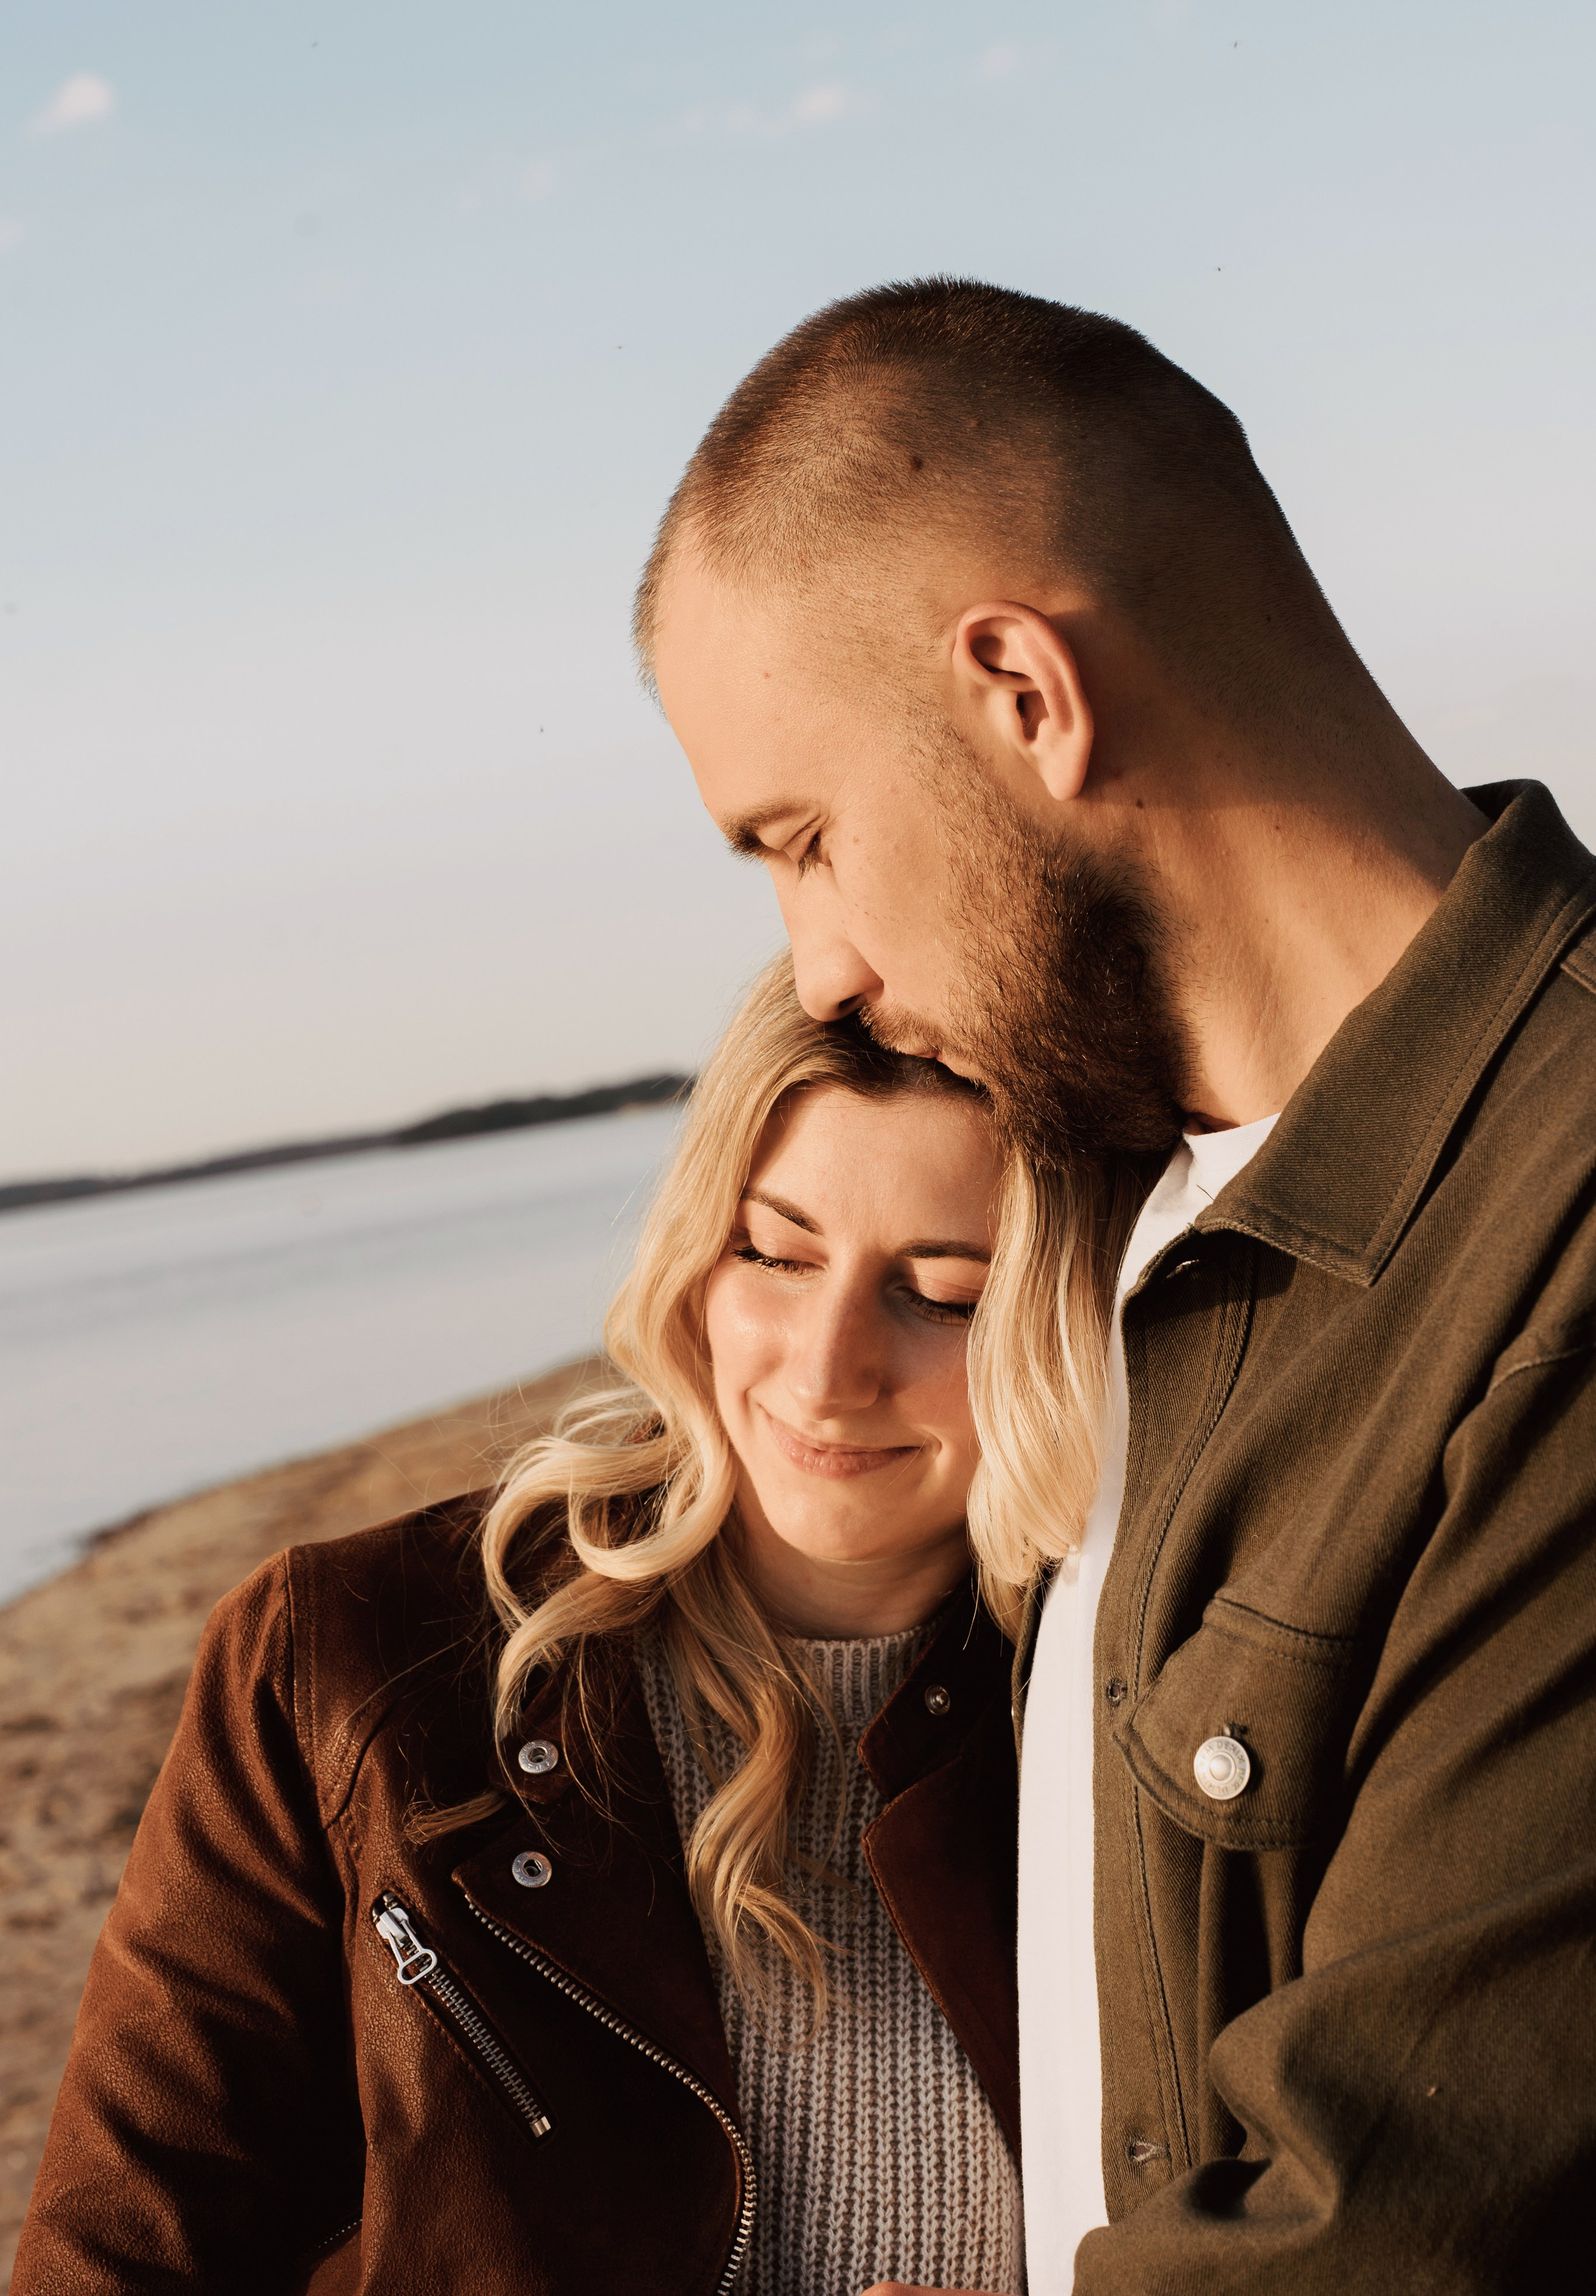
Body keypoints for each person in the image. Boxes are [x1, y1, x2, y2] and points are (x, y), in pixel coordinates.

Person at [647, 279, 1596, 2292]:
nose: (817, 966)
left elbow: (1405, 2231)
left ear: (1023, 690)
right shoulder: (1126, 1220)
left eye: (806, 836)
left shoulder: (1558, 1240)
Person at [16, 957, 1131, 2296]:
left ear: (1072, 1318)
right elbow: (120, 2263)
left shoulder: (1148, 1701)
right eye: (771, 1252)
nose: (825, 1368)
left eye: (943, 1293)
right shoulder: (351, 1658)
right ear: (693, 1254)